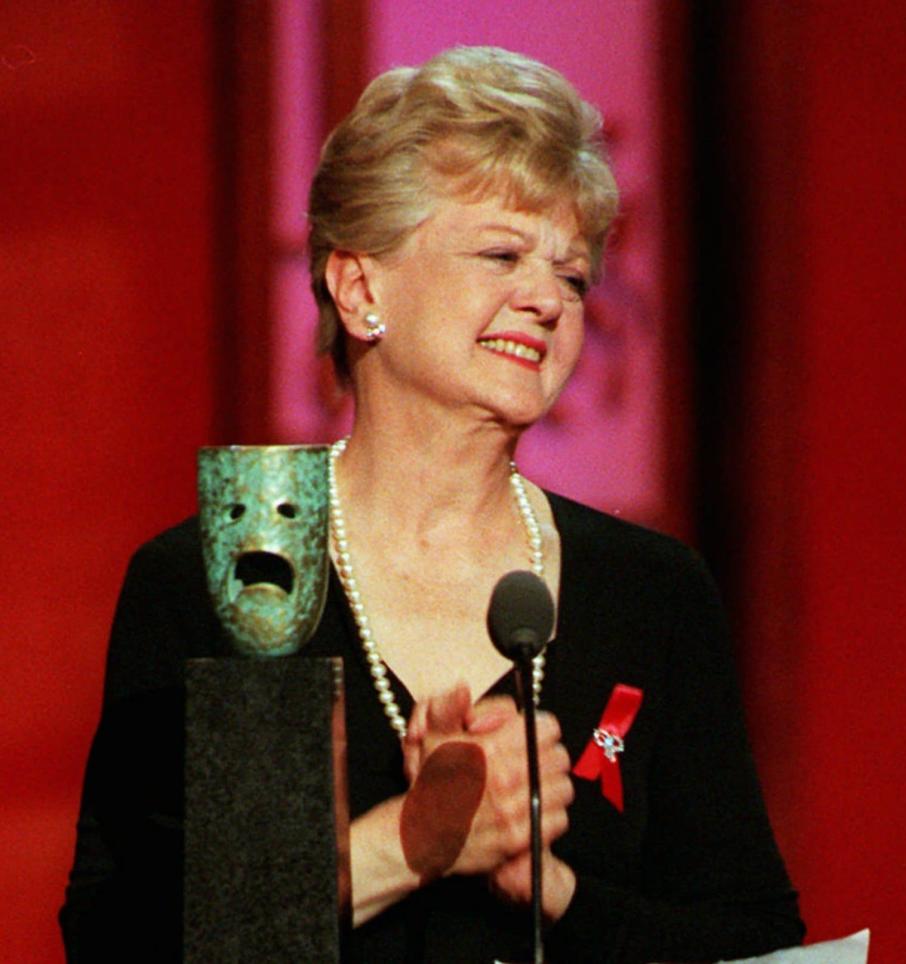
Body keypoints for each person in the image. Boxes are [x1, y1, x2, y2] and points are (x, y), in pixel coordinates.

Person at [60, 46, 805, 962]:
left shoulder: (649, 592)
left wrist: (551, 883)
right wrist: (406, 845)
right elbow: (120, 939)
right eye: (502, 253)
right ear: (362, 286)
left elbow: (751, 943)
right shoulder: (248, 572)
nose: (547, 301)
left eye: (572, 275)